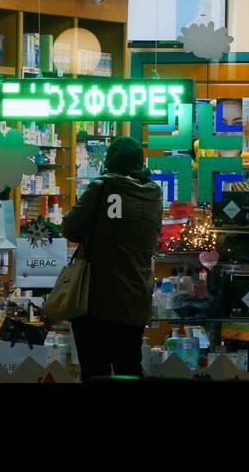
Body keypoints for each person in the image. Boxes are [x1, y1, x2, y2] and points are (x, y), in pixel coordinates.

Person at [60, 136, 162, 381]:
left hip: (97, 297)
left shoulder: (103, 187)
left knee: (96, 371)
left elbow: (70, 229)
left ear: (110, 160)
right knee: (129, 368)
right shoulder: (154, 194)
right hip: (136, 296)